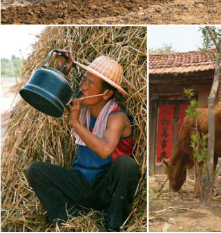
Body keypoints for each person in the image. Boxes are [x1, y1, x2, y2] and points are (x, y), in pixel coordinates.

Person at [26, 51, 139, 232]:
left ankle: (113, 225)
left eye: (90, 83)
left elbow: (105, 150)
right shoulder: (81, 104)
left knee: (127, 165)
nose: (83, 86)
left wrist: (75, 123)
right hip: (80, 184)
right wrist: (63, 70)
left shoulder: (117, 117)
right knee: (35, 171)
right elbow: (52, 99)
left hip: (105, 189)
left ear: (106, 93)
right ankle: (67, 219)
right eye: (84, 80)